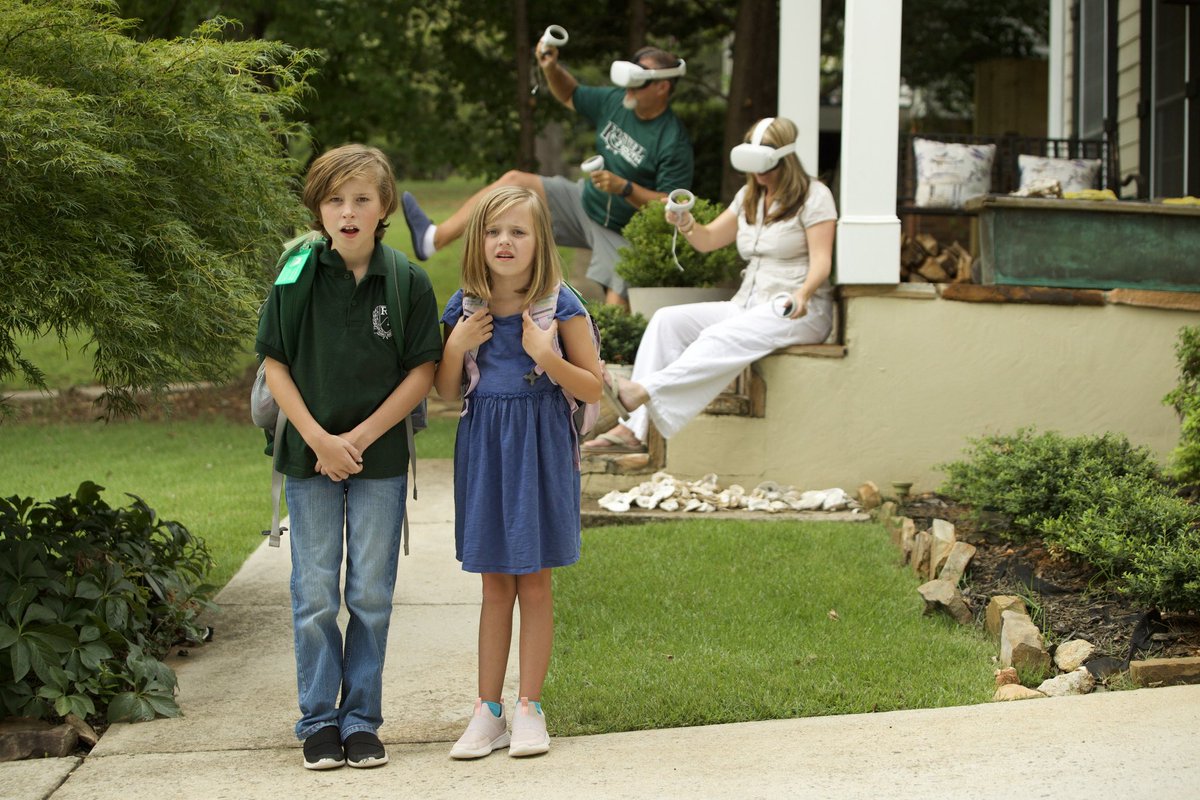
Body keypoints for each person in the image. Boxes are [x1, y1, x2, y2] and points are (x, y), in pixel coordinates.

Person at [255, 144, 443, 771]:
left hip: (378, 461)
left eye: (362, 198)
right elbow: (274, 362)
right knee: (313, 594)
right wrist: (319, 439)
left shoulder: (407, 278)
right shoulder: (297, 268)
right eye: (335, 199)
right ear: (319, 208)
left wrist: (357, 439)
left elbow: (422, 371)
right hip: (308, 456)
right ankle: (318, 721)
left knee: (369, 594)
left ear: (385, 205)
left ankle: (361, 718)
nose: (348, 211)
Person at [433, 185, 603, 759]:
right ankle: (488, 710)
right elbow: (446, 390)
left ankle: (529, 706)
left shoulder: (561, 306)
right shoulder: (464, 307)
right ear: (478, 241)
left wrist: (546, 355)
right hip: (485, 447)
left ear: (540, 242)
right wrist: (455, 345)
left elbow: (593, 385)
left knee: (534, 579)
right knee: (494, 583)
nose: (504, 242)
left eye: (518, 232)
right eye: (493, 231)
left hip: (540, 447)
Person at [583, 117, 836, 452]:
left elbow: (822, 261)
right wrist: (685, 222)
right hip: (748, 304)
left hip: (795, 310)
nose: (760, 174)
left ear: (785, 158)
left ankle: (639, 392)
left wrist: (803, 294)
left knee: (719, 336)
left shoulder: (814, 195)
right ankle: (635, 432)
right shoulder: (749, 196)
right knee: (665, 321)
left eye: (767, 165)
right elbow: (708, 239)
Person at [401, 43, 694, 307]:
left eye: (638, 84)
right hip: (582, 202)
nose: (628, 90)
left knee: (618, 292)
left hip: (619, 227)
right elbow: (570, 93)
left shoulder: (672, 140)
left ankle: (605, 359)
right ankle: (432, 239)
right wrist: (551, 68)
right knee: (515, 180)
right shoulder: (616, 101)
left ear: (662, 87)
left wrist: (625, 188)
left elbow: (668, 204)